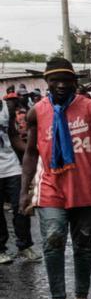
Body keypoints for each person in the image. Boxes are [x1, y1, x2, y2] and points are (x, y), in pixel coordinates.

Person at [18, 58, 91, 299]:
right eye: (54, 80)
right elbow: (31, 152)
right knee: (53, 240)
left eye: (66, 80)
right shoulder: (37, 111)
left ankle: (82, 298)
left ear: (75, 82)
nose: (60, 85)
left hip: (86, 188)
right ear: (46, 82)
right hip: (51, 188)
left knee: (83, 245)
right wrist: (25, 191)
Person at [0, 95, 37, 264]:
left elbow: (13, 137)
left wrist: (34, 150)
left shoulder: (6, 108)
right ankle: (1, 249)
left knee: (21, 206)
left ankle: (25, 246)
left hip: (11, 166)